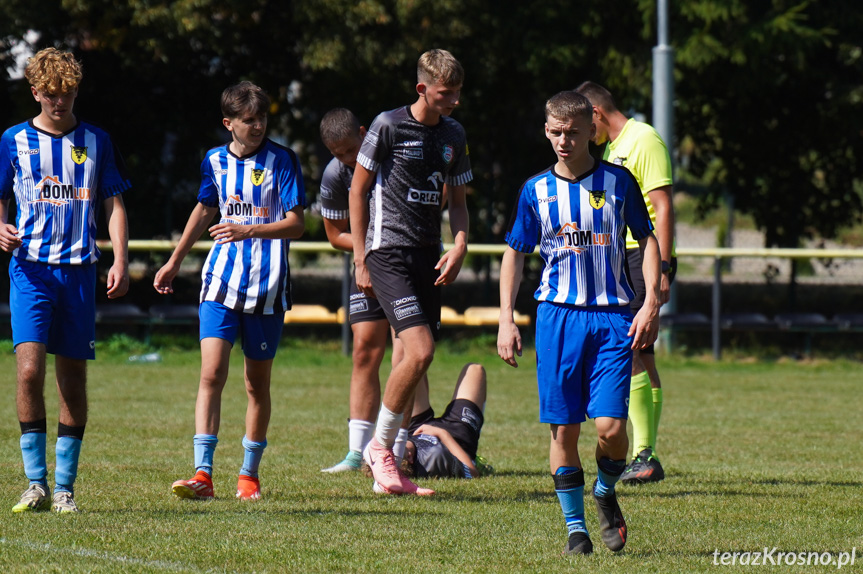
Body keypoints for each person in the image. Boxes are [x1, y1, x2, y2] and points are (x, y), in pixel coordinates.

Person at [497, 91, 660, 555]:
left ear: (592, 128)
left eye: (572, 132)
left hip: (612, 319)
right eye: (555, 132)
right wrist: (507, 320)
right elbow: (515, 254)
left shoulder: (619, 181)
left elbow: (646, 241)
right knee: (564, 431)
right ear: (545, 131)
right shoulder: (536, 191)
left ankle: (605, 493)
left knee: (610, 428)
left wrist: (649, 304)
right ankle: (575, 529)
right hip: (557, 320)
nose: (564, 141)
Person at [154, 81, 305, 501]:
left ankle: (248, 475)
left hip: (267, 289)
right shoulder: (214, 161)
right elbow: (204, 208)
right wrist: (175, 259)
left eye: (262, 119)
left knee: (256, 385)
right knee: (211, 373)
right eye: (248, 120)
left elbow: (296, 223)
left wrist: (248, 229)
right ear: (229, 123)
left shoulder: (284, 160)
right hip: (220, 282)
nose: (257, 126)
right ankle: (202, 474)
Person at [0, 48, 131, 514]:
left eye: (69, 93)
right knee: (30, 370)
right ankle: (35, 483)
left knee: (72, 379)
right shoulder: (13, 140)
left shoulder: (97, 140)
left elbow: (113, 204)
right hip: (30, 270)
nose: (61, 102)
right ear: (36, 92)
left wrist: (119, 258)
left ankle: (64, 490)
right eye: (52, 94)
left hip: (78, 273)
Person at [349, 49, 471, 496]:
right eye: (445, 93)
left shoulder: (455, 134)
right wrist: (361, 256)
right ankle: (378, 449)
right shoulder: (388, 125)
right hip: (387, 251)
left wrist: (458, 245)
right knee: (419, 351)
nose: (453, 101)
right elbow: (357, 191)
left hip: (427, 255)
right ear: (422, 89)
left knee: (409, 359)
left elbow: (457, 204)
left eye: (457, 92)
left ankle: (394, 467)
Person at [575, 81, 676, 484]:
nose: (584, 134)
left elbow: (664, 208)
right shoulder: (615, 149)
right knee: (643, 354)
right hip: (623, 255)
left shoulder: (643, 138)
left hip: (642, 256)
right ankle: (644, 454)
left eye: (586, 123)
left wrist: (663, 269)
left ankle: (644, 453)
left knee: (631, 346)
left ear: (596, 113)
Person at [402, 363, 490, 480]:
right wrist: (442, 434)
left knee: (411, 366)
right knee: (475, 369)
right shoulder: (434, 457)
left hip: (415, 428)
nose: (394, 443)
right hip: (456, 435)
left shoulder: (394, 448)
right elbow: (472, 472)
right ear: (409, 457)